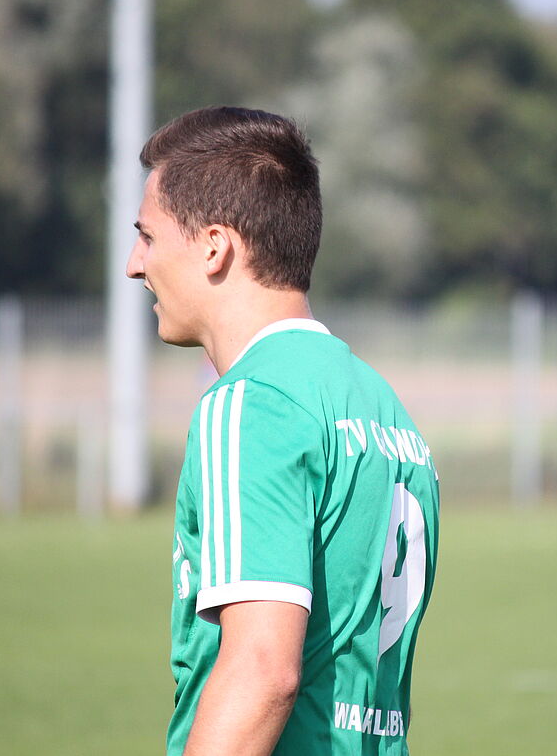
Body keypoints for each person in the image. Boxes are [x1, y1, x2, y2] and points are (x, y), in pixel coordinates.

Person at [126, 107, 440, 756]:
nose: (135, 265)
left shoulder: (251, 403)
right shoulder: (384, 409)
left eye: (148, 237)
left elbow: (263, 671)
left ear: (214, 246)